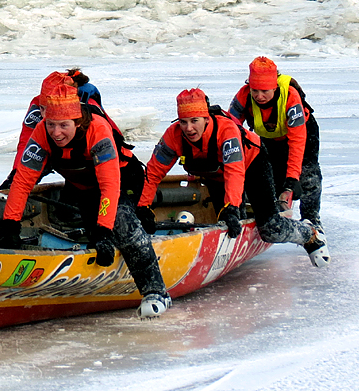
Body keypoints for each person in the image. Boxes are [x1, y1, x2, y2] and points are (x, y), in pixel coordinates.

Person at [0, 83, 172, 318]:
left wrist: (104, 231)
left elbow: (110, 187)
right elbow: (23, 181)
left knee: (122, 223)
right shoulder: (41, 132)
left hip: (124, 182)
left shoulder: (97, 130)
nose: (56, 133)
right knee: (96, 235)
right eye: (51, 124)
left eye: (63, 126)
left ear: (78, 122)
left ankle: (156, 292)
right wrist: (10, 226)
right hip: (87, 189)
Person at [139, 88, 329, 267]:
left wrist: (231, 206)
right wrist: (143, 206)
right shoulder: (173, 136)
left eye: (194, 120)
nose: (188, 128)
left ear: (206, 118)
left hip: (251, 164)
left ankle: (310, 234)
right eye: (183, 122)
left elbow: (235, 172)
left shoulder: (226, 131)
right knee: (225, 222)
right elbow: (153, 173)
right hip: (215, 176)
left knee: (270, 228)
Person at [229, 57, 325, 232]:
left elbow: (297, 142)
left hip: (302, 133)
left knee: (307, 176)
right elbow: (228, 130)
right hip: (269, 138)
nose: (259, 96)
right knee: (269, 178)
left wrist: (292, 180)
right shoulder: (243, 96)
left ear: (274, 86)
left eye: (265, 91)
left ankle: (312, 221)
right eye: (255, 90)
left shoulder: (290, 97)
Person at [0, 68, 111, 191]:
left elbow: (107, 143)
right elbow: (27, 143)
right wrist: (16, 174)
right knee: (18, 178)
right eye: (44, 109)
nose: (48, 115)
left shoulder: (89, 109)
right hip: (62, 159)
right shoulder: (38, 108)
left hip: (93, 163)